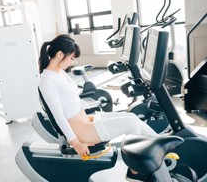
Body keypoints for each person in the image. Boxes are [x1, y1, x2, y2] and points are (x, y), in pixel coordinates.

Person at [38, 34, 159, 182]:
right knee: (131, 124)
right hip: (82, 132)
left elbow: (71, 103)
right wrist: (76, 143)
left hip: (87, 121)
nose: (71, 62)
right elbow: (58, 116)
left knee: (132, 117)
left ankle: (161, 143)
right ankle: (135, 171)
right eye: (71, 58)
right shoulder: (48, 80)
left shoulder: (59, 73)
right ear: (60, 54)